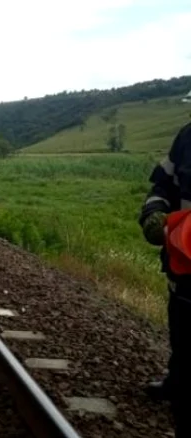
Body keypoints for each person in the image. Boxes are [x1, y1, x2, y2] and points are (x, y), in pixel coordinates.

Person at [138, 92, 191, 437]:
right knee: (184, 336)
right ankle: (177, 382)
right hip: (185, 267)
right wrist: (153, 213)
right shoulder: (187, 137)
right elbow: (162, 184)